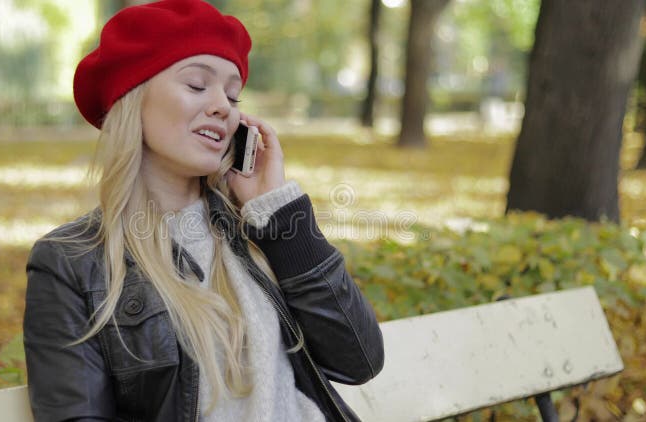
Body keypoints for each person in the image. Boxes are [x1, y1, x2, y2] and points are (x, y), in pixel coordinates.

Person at [22, 1, 384, 421]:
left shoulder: (259, 229)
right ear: (131, 101)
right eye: (197, 85)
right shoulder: (71, 262)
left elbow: (359, 360)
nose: (223, 106)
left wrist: (279, 213)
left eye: (232, 95)